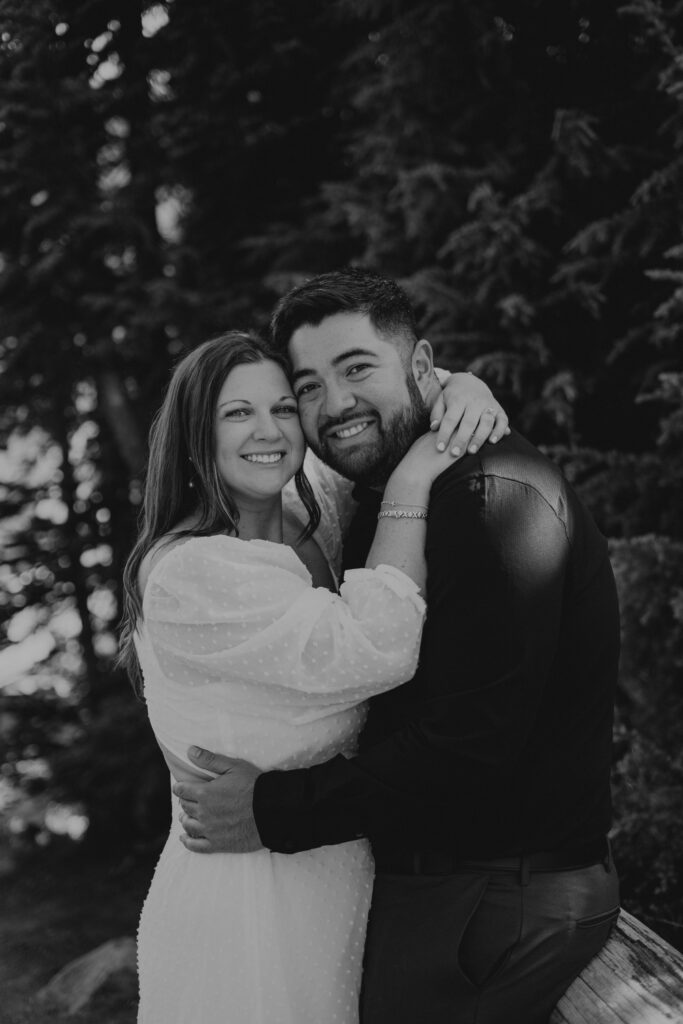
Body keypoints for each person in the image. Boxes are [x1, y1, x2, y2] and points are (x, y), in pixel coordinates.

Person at [176, 269, 621, 1024]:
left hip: (490, 896)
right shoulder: (391, 491)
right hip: (452, 886)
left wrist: (273, 809)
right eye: (307, 387)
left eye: (357, 369)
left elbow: (469, 746)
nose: (334, 404)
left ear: (419, 368)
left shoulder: (485, 504)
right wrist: (458, 385)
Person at [118, 329, 508, 1024]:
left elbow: (400, 389)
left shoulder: (307, 512)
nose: (268, 431)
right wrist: (413, 481)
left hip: (333, 869)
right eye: (237, 414)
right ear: (193, 436)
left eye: (283, 407)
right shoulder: (192, 573)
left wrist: (462, 388)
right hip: (249, 899)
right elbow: (376, 647)